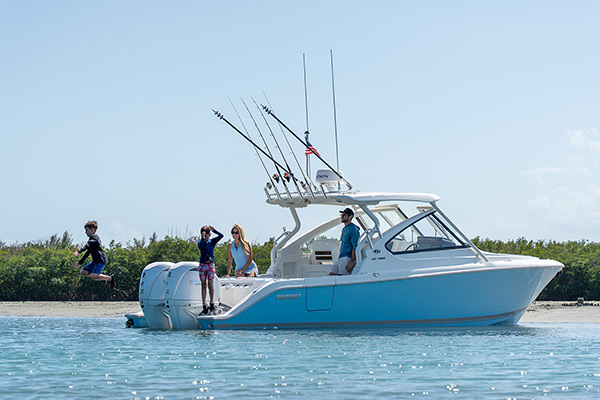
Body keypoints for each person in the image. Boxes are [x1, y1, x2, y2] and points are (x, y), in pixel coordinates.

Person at [73, 220, 115, 288]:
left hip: (101, 260)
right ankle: (100, 274)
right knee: (83, 272)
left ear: (92, 230)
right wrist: (80, 262)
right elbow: (87, 252)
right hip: (95, 261)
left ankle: (110, 278)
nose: (85, 232)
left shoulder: (95, 238)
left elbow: (87, 245)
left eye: (87, 230)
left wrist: (79, 251)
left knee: (94, 276)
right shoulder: (91, 241)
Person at [198, 225, 223, 314]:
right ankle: (204, 303)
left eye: (207, 234)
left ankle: (211, 302)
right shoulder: (201, 242)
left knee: (210, 284)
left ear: (210, 234)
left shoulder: (212, 241)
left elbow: (221, 236)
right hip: (202, 265)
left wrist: (214, 230)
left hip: (210, 265)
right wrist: (203, 239)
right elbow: (201, 247)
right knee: (203, 284)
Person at [329, 208, 360, 276]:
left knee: (342, 278)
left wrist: (351, 261)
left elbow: (355, 246)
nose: (342, 217)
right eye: (341, 215)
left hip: (347, 258)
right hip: (341, 257)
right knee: (331, 276)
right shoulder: (344, 229)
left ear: (350, 217)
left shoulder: (353, 229)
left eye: (344, 215)